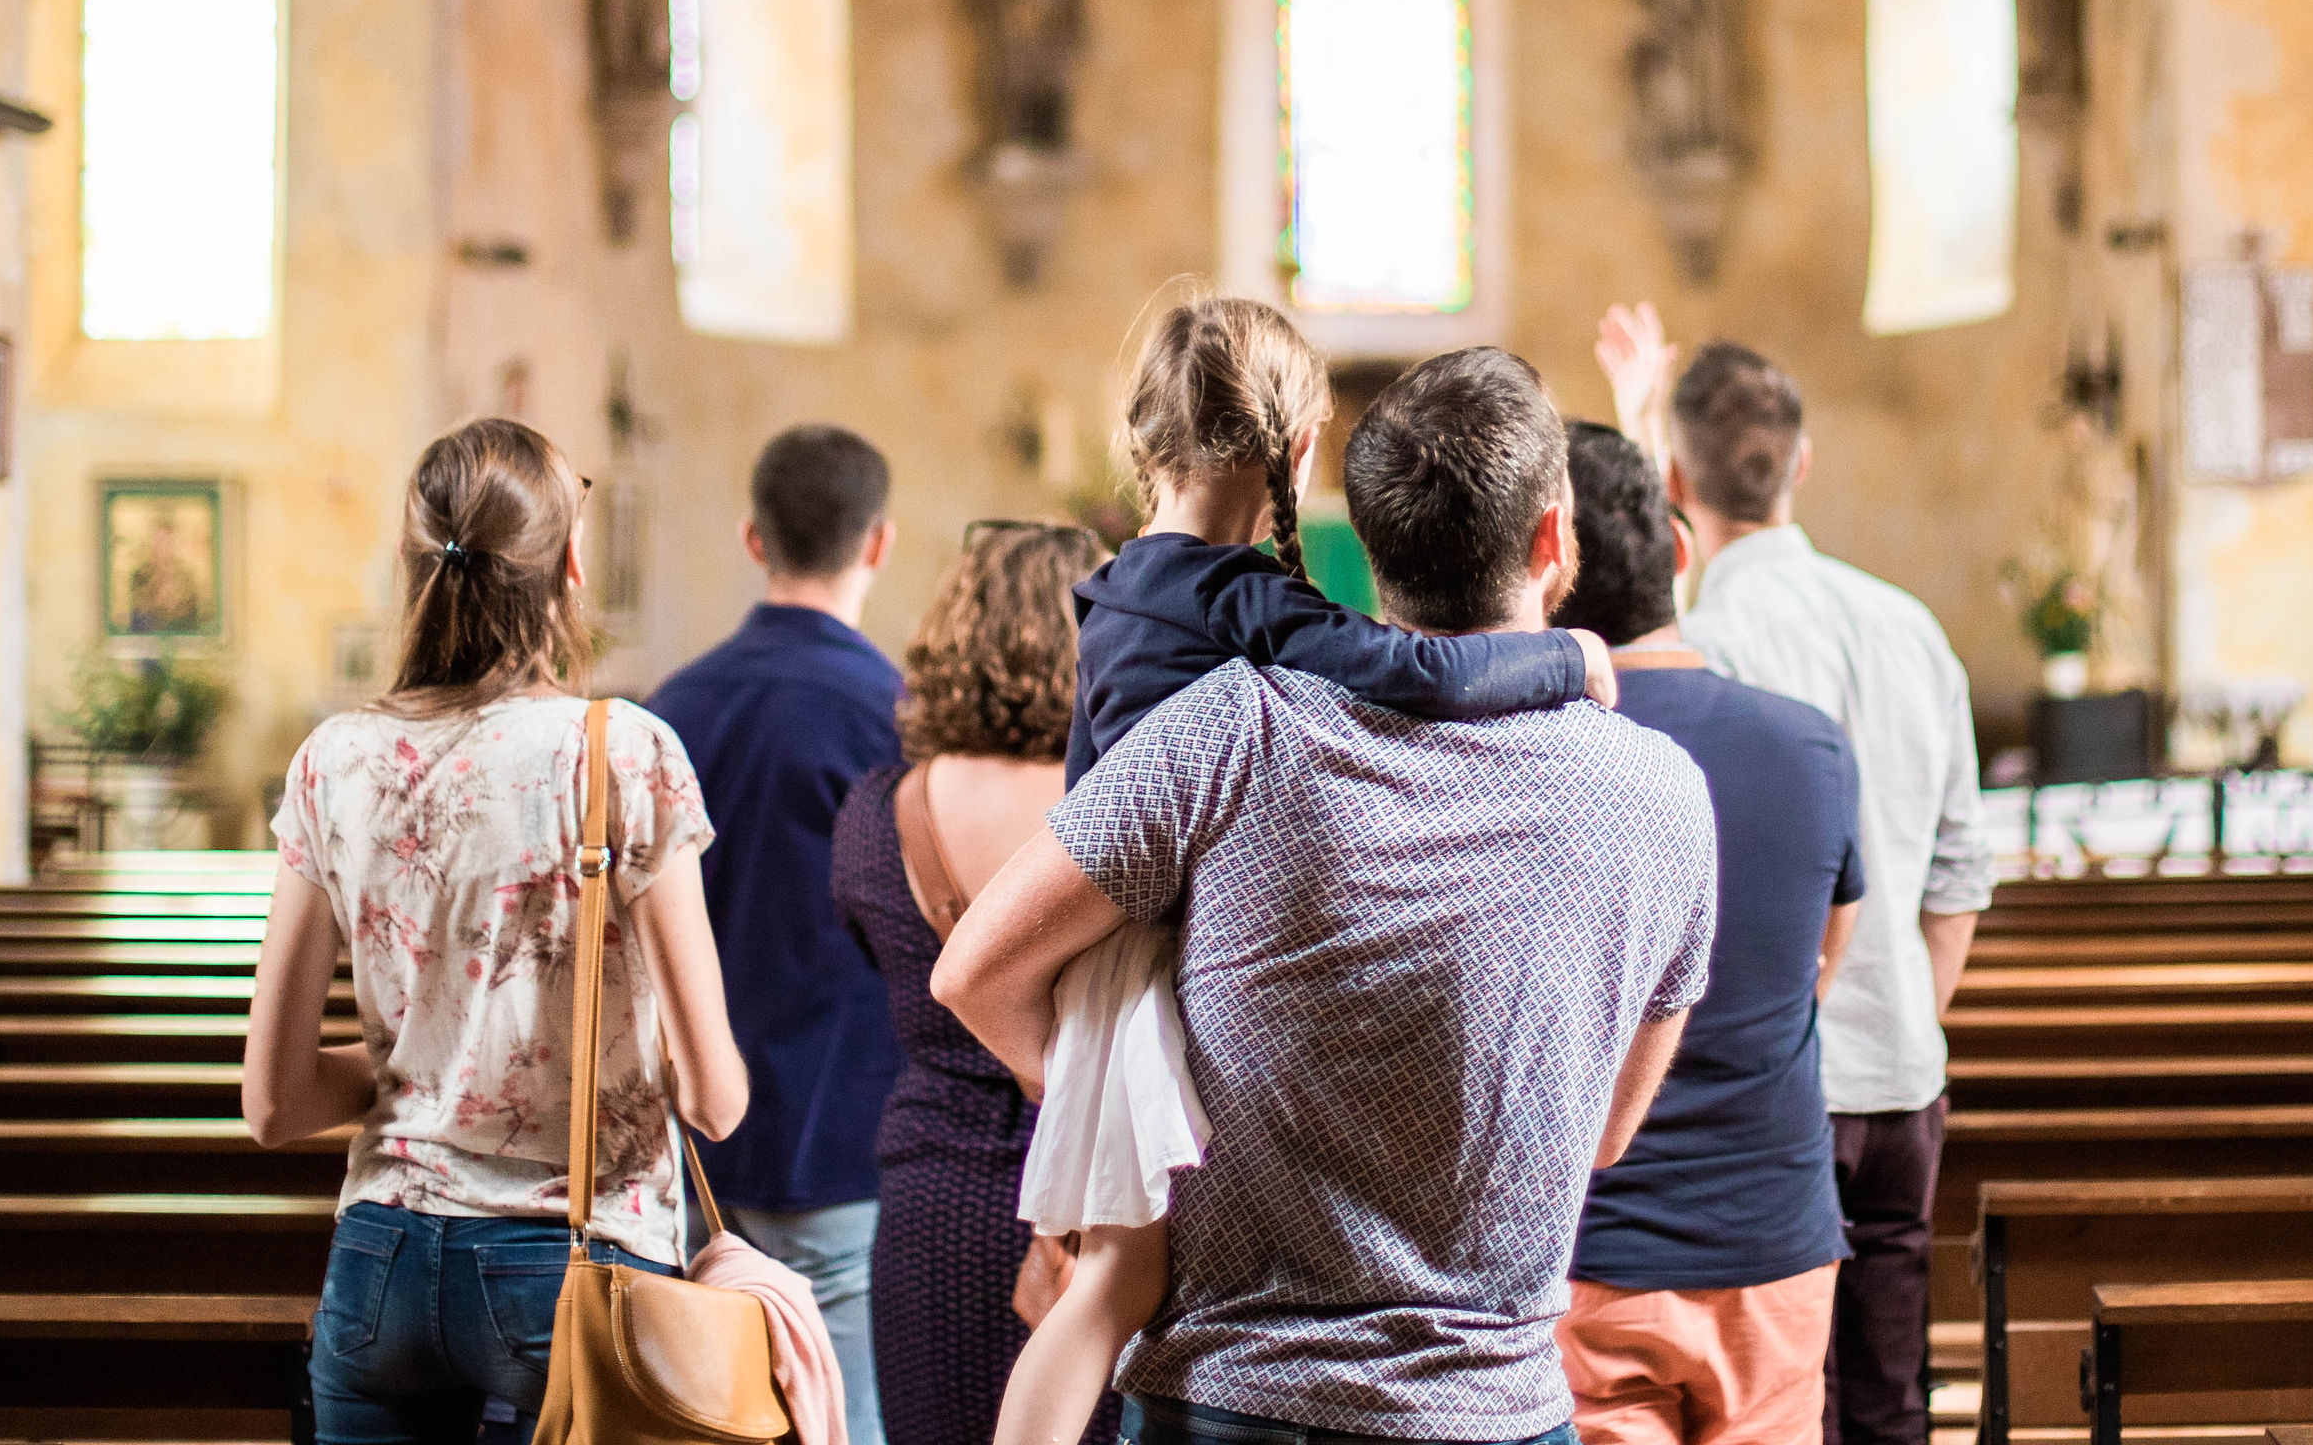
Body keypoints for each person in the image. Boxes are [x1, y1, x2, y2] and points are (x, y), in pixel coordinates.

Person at [939, 346, 1719, 1445]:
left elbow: (974, 970)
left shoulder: (1235, 727)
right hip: (1487, 1412)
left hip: (1227, 1402)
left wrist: (1122, 1102)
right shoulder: (1664, 797)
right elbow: (1602, 1134)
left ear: (1371, 545)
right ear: (1553, 540)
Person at [246, 417, 755, 1445]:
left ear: (411, 563)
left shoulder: (334, 761)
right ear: (571, 563)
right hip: (572, 1259)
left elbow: (274, 1102)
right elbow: (714, 1097)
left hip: (381, 1259)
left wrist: (429, 1068)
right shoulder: (624, 754)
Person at [1597, 308, 1991, 1445]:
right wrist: (1905, 1015)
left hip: (1781, 1102)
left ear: (1675, 476)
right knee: (1888, 1395)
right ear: (1802, 464)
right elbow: (1961, 869)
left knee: (1789, 1403)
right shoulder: (1911, 627)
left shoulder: (1709, 645)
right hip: (1906, 1077)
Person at [1556, 422, 1867, 1445]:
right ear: (1681, 551)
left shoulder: (1540, 763)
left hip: (1594, 1252)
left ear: (1545, 571)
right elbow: (1821, 965)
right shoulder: (1810, 746)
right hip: (1770, 1237)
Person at [829, 519, 1122, 1445]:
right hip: (1100, 1195)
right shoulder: (1130, 801)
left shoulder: (883, 812)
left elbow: (878, 952)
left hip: (934, 1193)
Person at [644, 424, 907, 1445]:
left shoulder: (666, 712)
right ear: (877, 543)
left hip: (689, 1150)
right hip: (838, 1133)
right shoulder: (892, 715)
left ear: (753, 538)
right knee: (852, 1425)